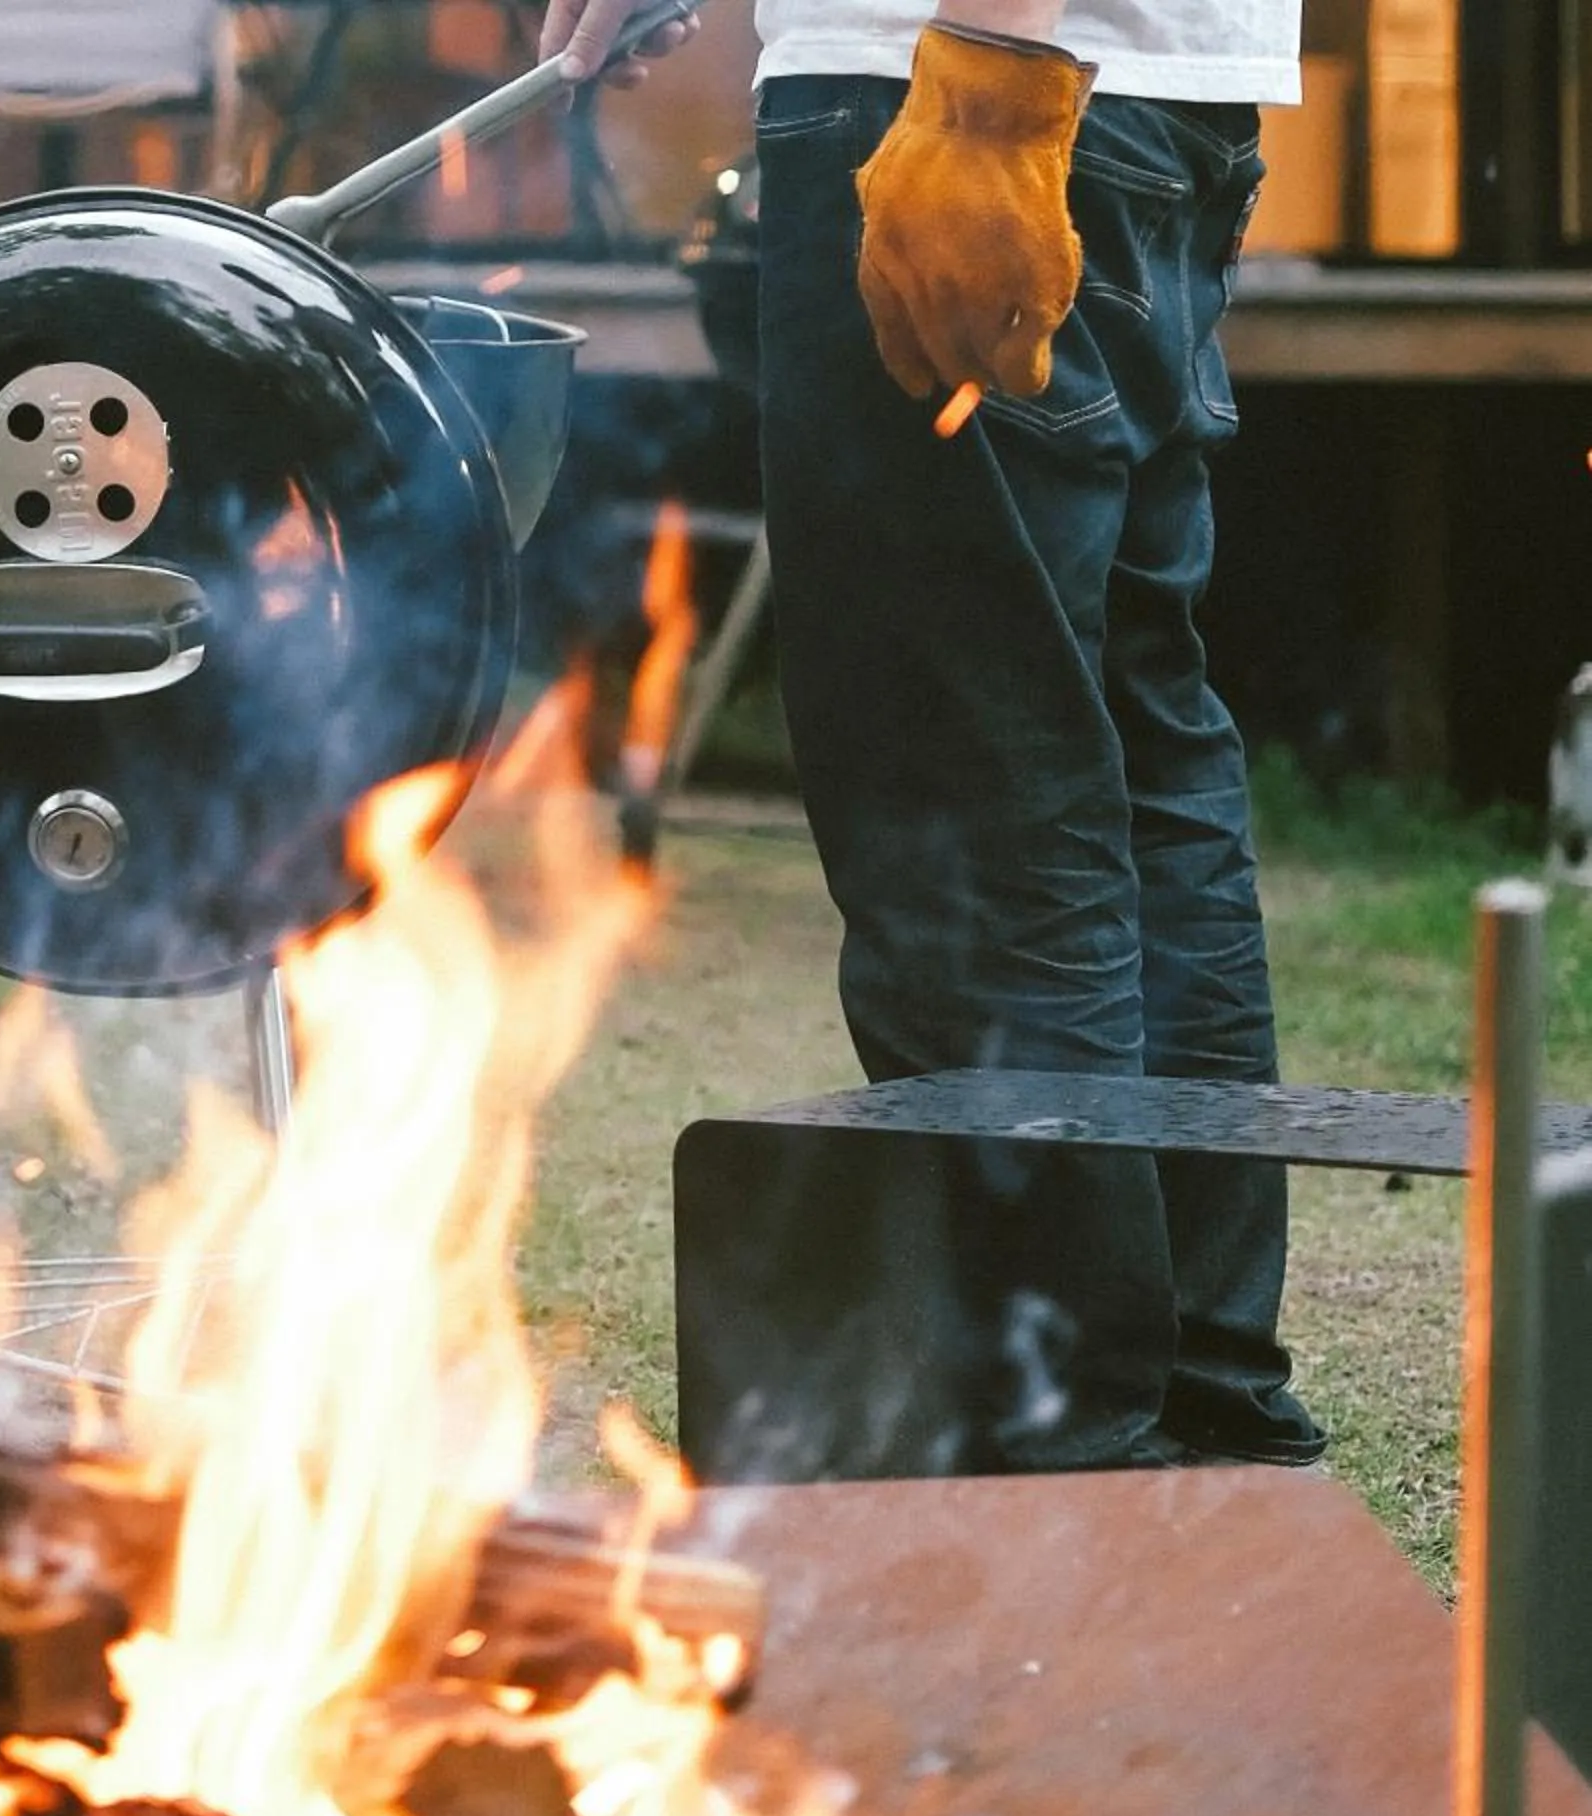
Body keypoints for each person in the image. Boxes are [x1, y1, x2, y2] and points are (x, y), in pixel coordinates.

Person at [542, 0, 1324, 1472]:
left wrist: (989, 87)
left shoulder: (982, 89)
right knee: (1134, 742)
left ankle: (1056, 1420)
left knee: (969, 771)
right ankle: (1193, 1381)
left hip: (954, 81)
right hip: (1156, 96)